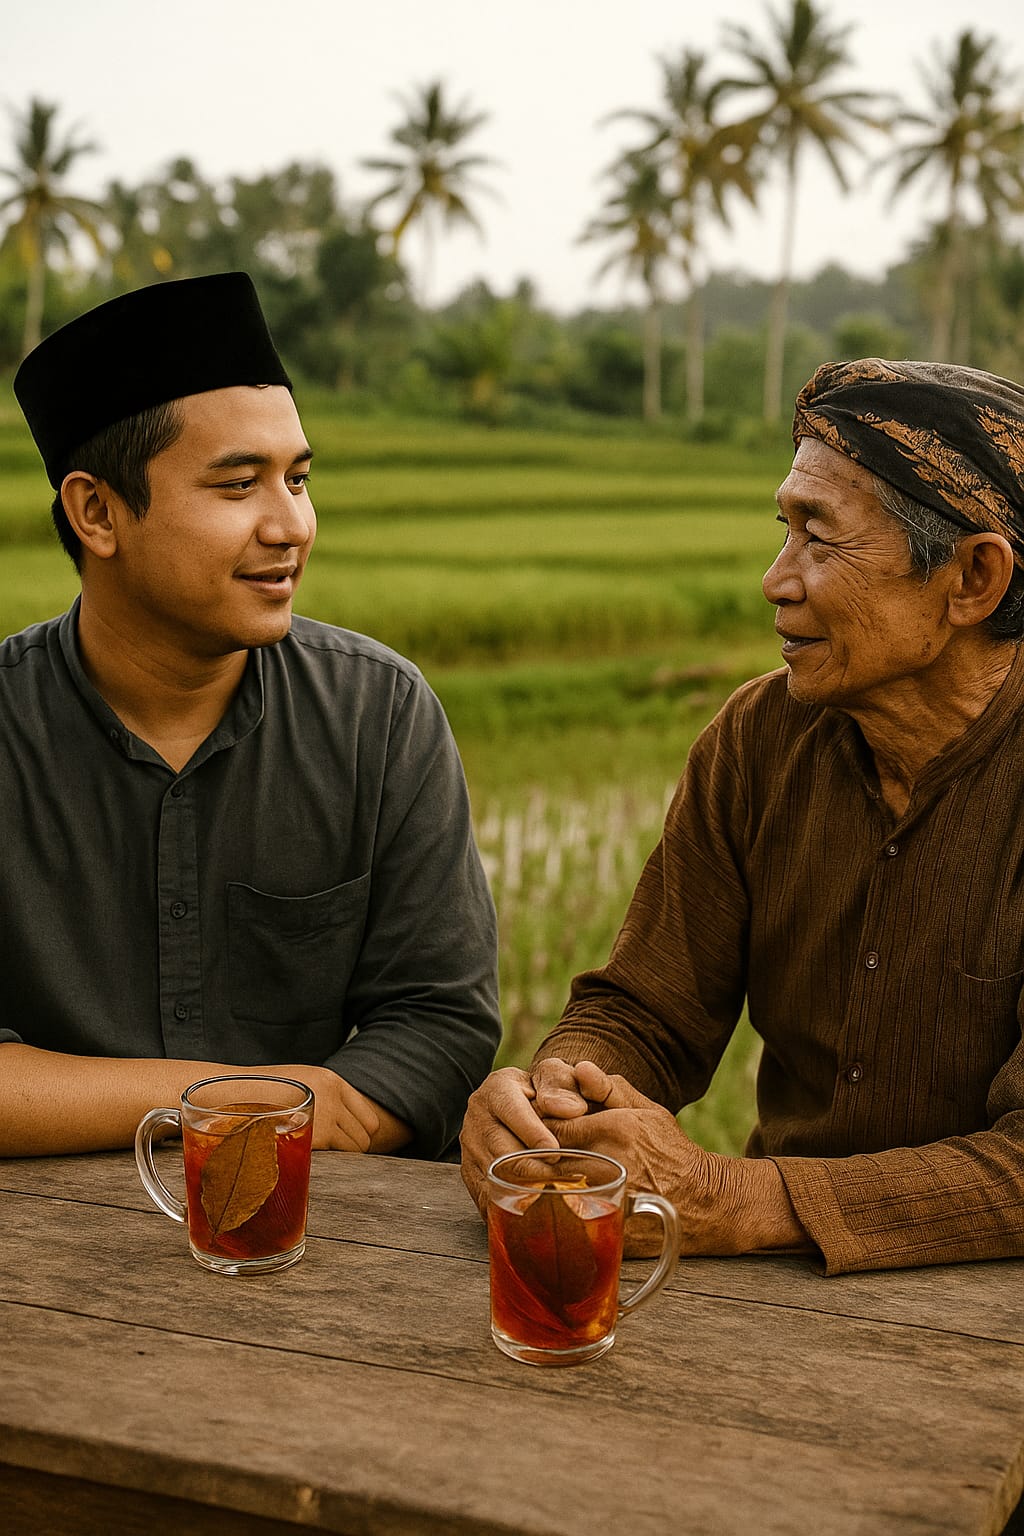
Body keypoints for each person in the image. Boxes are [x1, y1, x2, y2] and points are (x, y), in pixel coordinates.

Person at [462, 356, 1024, 1275]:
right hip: (776, 1288)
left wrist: (738, 1197)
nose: (776, 580)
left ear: (972, 579)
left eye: (821, 539)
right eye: (784, 530)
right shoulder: (759, 737)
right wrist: (555, 1100)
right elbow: (649, 1012)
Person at [2, 271, 500, 1159]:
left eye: (298, 480)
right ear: (97, 512)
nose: (291, 526)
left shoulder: (378, 714)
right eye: (239, 486)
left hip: (315, 1223)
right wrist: (245, 1101)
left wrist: (273, 1134)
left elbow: (439, 1024)